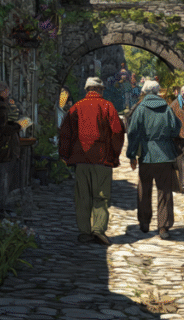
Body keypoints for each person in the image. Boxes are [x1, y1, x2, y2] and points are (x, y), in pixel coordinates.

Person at [58, 77, 126, 245]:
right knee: (101, 196)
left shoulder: (76, 107)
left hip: (81, 159)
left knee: (82, 197)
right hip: (102, 159)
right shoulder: (107, 107)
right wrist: (114, 155)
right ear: (100, 90)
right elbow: (117, 132)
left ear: (87, 90)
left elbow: (65, 133)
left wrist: (65, 155)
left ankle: (84, 231)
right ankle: (98, 229)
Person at [126, 80, 182, 239]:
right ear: (157, 92)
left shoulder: (141, 108)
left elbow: (133, 133)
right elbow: (176, 129)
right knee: (165, 191)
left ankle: (144, 222)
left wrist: (132, 155)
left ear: (144, 92)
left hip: (146, 155)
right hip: (165, 155)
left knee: (144, 190)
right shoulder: (167, 108)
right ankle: (163, 226)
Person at [0, 81, 21, 215]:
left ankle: (1, 206)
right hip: (4, 146)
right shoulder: (0, 107)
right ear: (4, 91)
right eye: (7, 90)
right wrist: (17, 126)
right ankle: (1, 207)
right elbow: (2, 128)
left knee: (1, 176)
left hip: (1, 146)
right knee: (3, 177)